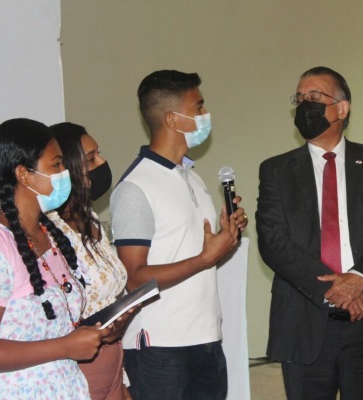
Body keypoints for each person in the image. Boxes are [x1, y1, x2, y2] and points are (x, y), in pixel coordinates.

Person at [256, 66, 363, 399]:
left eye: (314, 97)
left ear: (342, 109)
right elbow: (273, 242)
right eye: (299, 98)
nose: (304, 105)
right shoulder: (276, 170)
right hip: (304, 320)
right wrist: (336, 290)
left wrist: (358, 280)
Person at [110, 69, 248, 400]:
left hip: (206, 338)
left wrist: (225, 239)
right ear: (172, 119)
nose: (205, 114)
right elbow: (134, 278)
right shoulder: (136, 187)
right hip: (160, 346)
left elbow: (197, 258)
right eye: (198, 107)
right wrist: (205, 258)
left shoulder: (191, 177)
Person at [0, 118, 109, 399]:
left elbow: (55, 326)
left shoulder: (50, 233)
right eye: (56, 165)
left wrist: (102, 326)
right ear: (23, 175)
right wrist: (65, 347)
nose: (65, 173)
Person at [49, 122, 132, 400]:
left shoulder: (91, 218)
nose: (102, 163)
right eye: (91, 159)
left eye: (99, 154)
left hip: (113, 360)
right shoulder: (49, 231)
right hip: (80, 368)